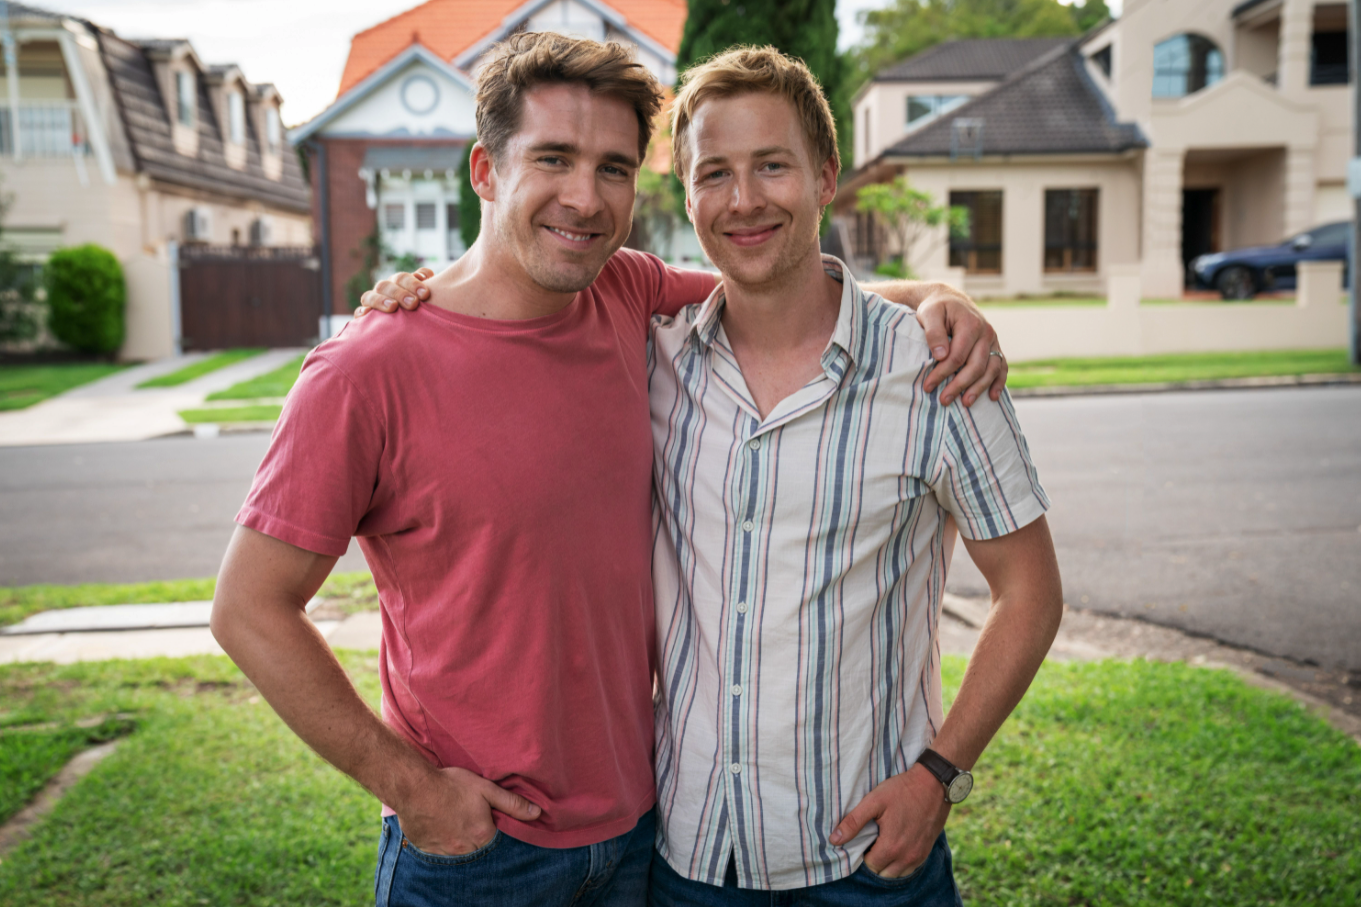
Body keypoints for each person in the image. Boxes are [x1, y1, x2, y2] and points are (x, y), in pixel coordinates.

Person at [214, 33, 1003, 907]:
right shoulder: (365, 371)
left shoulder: (624, 293)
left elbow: (776, 285)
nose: (585, 198)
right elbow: (248, 609)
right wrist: (414, 792)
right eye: (552, 158)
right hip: (480, 855)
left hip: (641, 838)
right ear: (484, 169)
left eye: (614, 168)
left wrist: (939, 296)